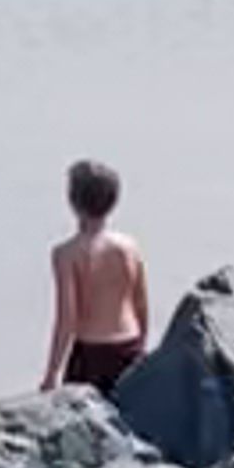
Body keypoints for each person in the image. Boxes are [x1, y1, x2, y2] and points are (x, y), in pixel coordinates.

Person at [43, 154, 151, 394]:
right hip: (128, 345)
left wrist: (52, 372)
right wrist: (142, 345)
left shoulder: (67, 254)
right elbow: (141, 303)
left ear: (73, 202)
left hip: (90, 351)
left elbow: (67, 317)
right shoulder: (129, 247)